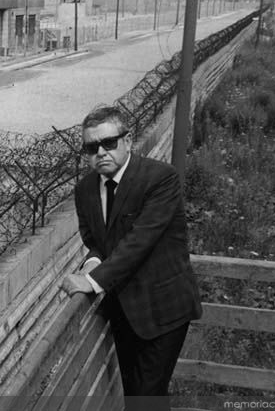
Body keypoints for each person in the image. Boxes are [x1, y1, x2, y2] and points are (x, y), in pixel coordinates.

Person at [61, 106, 202, 410]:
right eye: (91, 147)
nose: (100, 152)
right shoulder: (84, 190)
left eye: (109, 143)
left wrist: (91, 282)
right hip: (124, 310)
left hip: (165, 309)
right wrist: (92, 263)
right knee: (139, 394)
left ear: (129, 140)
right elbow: (96, 242)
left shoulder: (160, 179)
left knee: (145, 396)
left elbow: (139, 242)